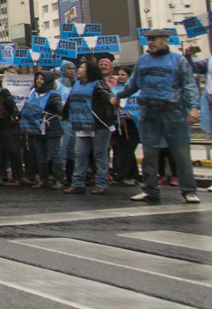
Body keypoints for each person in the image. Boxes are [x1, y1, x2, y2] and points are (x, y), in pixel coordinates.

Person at [125, 29, 201, 203]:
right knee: (149, 156)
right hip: (149, 115)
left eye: (154, 39)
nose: (150, 42)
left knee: (181, 155)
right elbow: (133, 83)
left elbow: (189, 86)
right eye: (149, 39)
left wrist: (194, 107)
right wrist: (118, 96)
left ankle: (189, 190)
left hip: (174, 114)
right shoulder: (143, 60)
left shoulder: (179, 61)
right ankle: (149, 190)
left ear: (165, 41)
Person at [63, 60, 119, 196]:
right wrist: (63, 114)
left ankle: (101, 184)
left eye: (82, 68)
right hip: (82, 125)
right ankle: (78, 184)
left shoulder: (98, 84)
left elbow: (106, 95)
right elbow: (70, 101)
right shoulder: (76, 84)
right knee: (79, 154)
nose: (79, 70)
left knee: (99, 154)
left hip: (99, 125)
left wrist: (112, 100)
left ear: (90, 71)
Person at [20, 70, 65, 189]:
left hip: (51, 128)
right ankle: (43, 180)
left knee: (55, 153)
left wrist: (62, 112)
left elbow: (58, 105)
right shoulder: (33, 93)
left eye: (42, 79)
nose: (39, 81)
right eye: (37, 78)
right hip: (36, 128)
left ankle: (59, 180)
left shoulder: (53, 95)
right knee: (40, 155)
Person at [112, 67, 141, 186]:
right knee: (127, 150)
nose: (120, 77)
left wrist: (132, 115)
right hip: (120, 125)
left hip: (134, 125)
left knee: (127, 150)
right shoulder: (115, 90)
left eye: (123, 74)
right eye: (119, 74)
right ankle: (134, 175)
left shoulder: (138, 91)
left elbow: (142, 108)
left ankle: (123, 175)